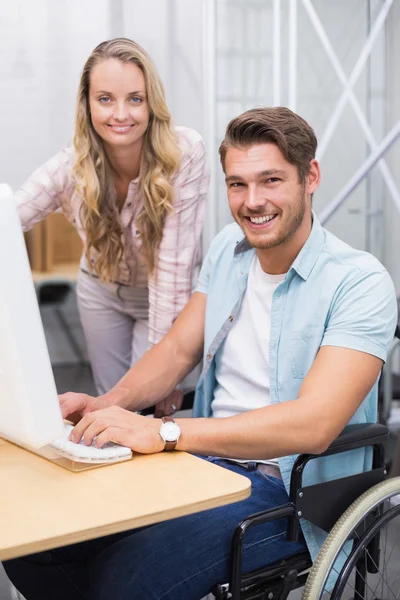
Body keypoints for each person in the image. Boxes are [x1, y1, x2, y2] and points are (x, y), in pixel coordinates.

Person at [4, 107, 397, 600]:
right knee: (33, 537)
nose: (252, 202)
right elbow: (175, 351)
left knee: (126, 579)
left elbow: (314, 424)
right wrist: (111, 403)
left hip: (287, 492)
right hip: (201, 464)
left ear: (310, 177)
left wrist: (166, 432)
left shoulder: (360, 282)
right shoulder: (229, 249)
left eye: (270, 180)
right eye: (237, 184)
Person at [16, 37, 209, 415]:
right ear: (87, 104)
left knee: (147, 407)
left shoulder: (184, 153)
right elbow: (13, 213)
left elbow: (172, 272)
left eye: (135, 99)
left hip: (163, 295)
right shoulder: (72, 165)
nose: (121, 113)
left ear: (151, 102)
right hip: (100, 292)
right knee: (107, 408)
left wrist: (167, 376)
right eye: (105, 99)